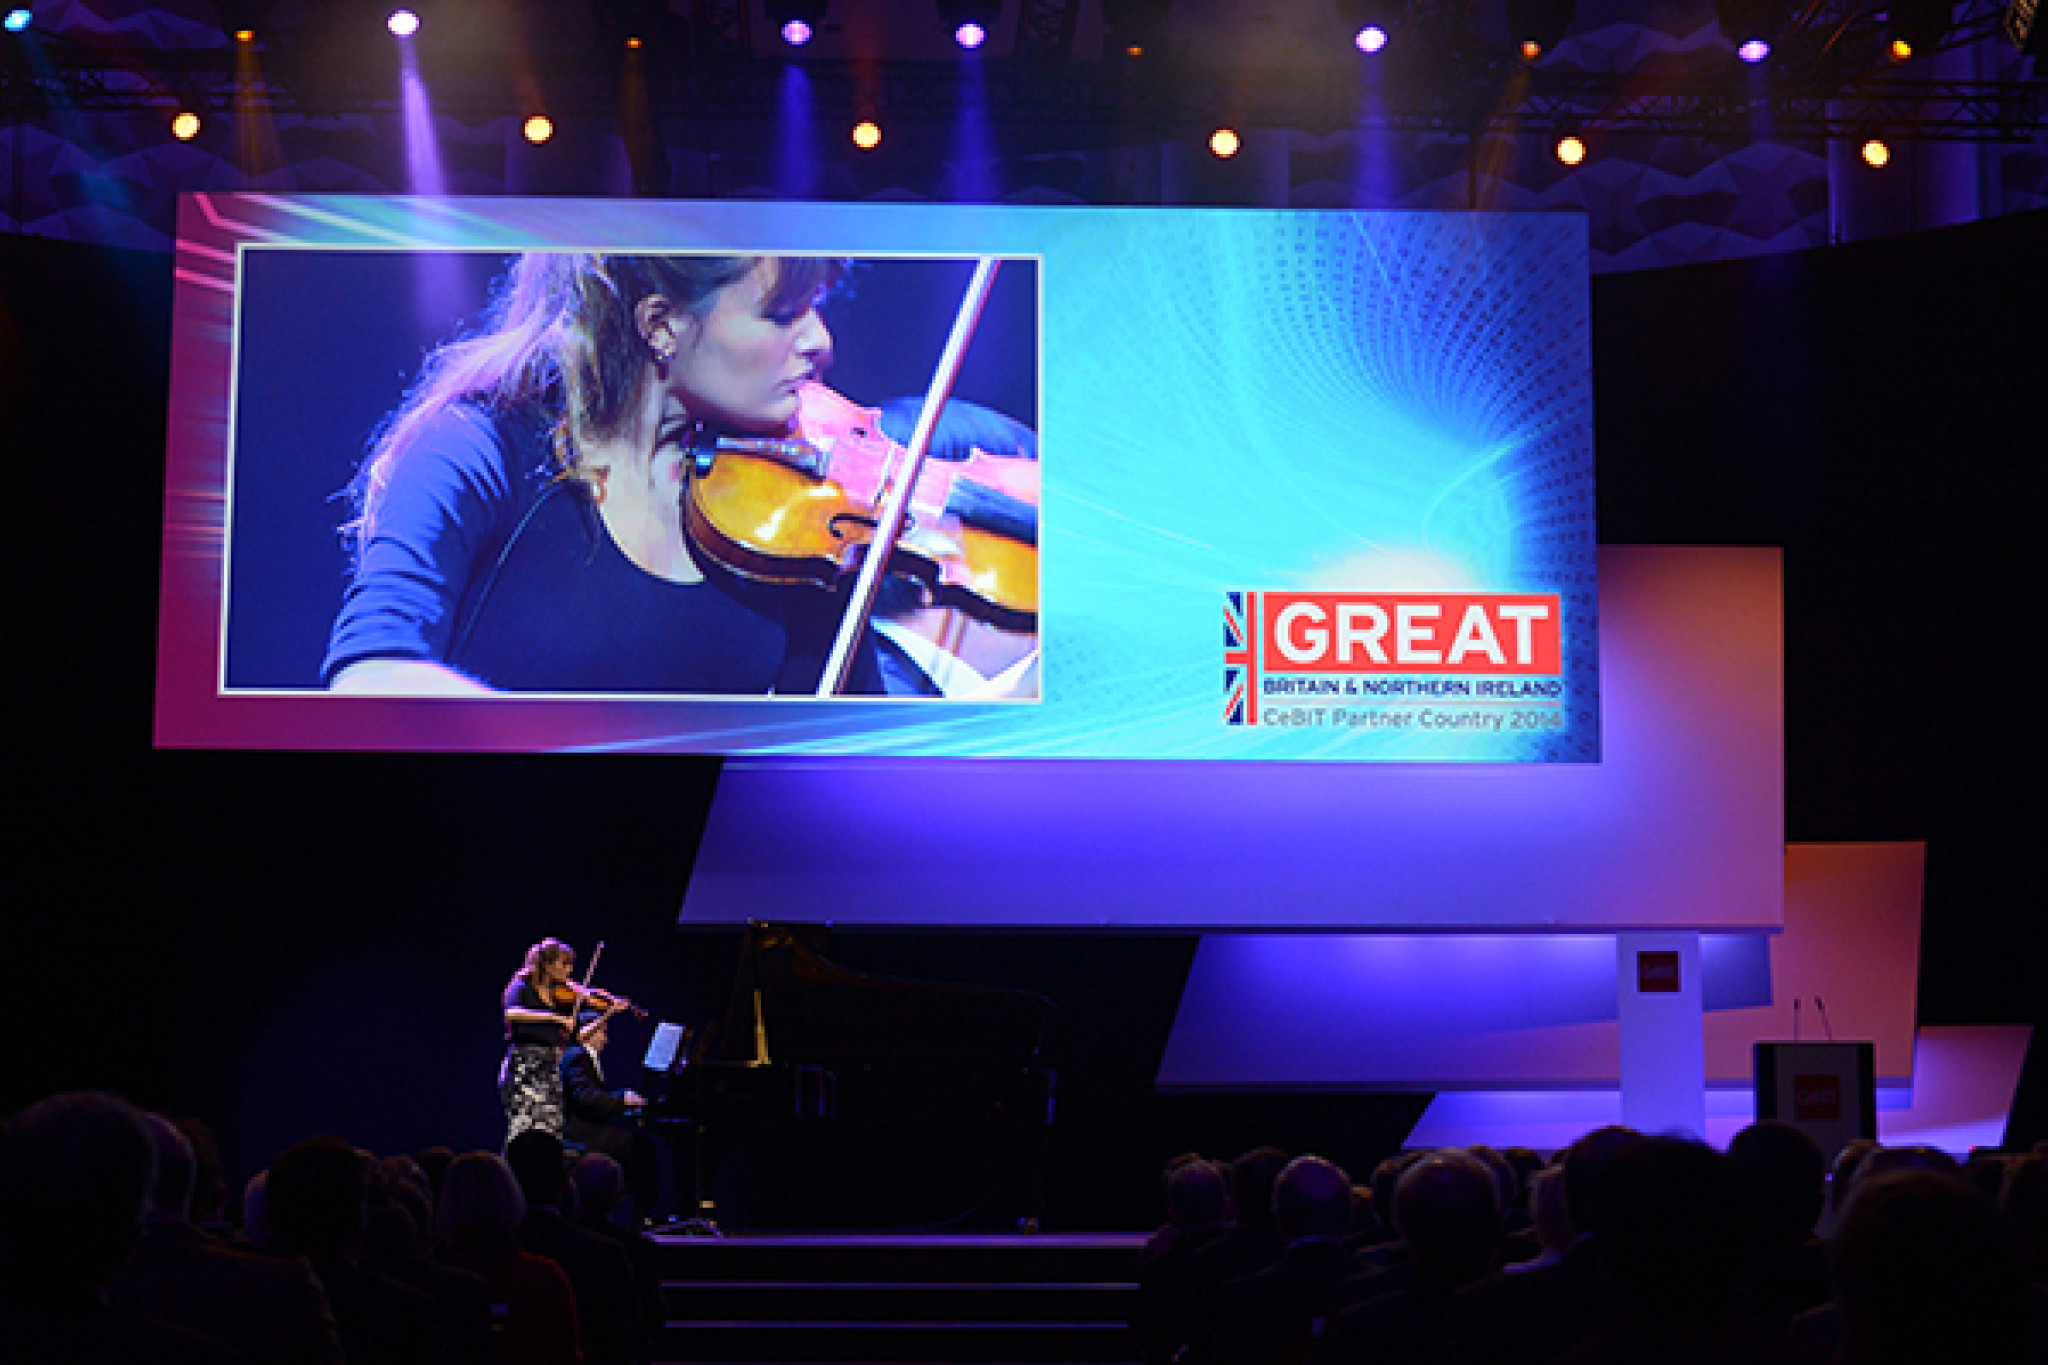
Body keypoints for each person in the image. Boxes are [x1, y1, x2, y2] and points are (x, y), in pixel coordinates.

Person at [322, 251, 983, 697]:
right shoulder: (477, 447)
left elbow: (848, 758)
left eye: (816, 307)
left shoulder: (804, 511)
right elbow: (371, 673)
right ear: (662, 326)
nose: (820, 341)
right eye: (782, 314)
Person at [501, 938, 619, 1144]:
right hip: (524, 1067)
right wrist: (555, 1018)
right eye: (564, 964)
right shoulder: (522, 985)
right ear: (546, 965)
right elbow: (512, 1013)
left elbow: (578, 1037)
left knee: (550, 1130)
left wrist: (608, 1013)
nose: (570, 970)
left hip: (550, 1068)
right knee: (524, 1129)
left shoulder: (560, 995)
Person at [560, 1013, 660, 1219]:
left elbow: (594, 1098)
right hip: (580, 1133)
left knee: (637, 1144)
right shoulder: (577, 1055)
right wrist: (622, 1099)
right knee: (641, 1148)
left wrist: (623, 1102)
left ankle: (635, 1209)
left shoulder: (582, 1056)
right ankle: (642, 1214)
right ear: (589, 1032)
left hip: (590, 1128)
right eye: (603, 1032)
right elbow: (585, 1097)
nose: (607, 1039)